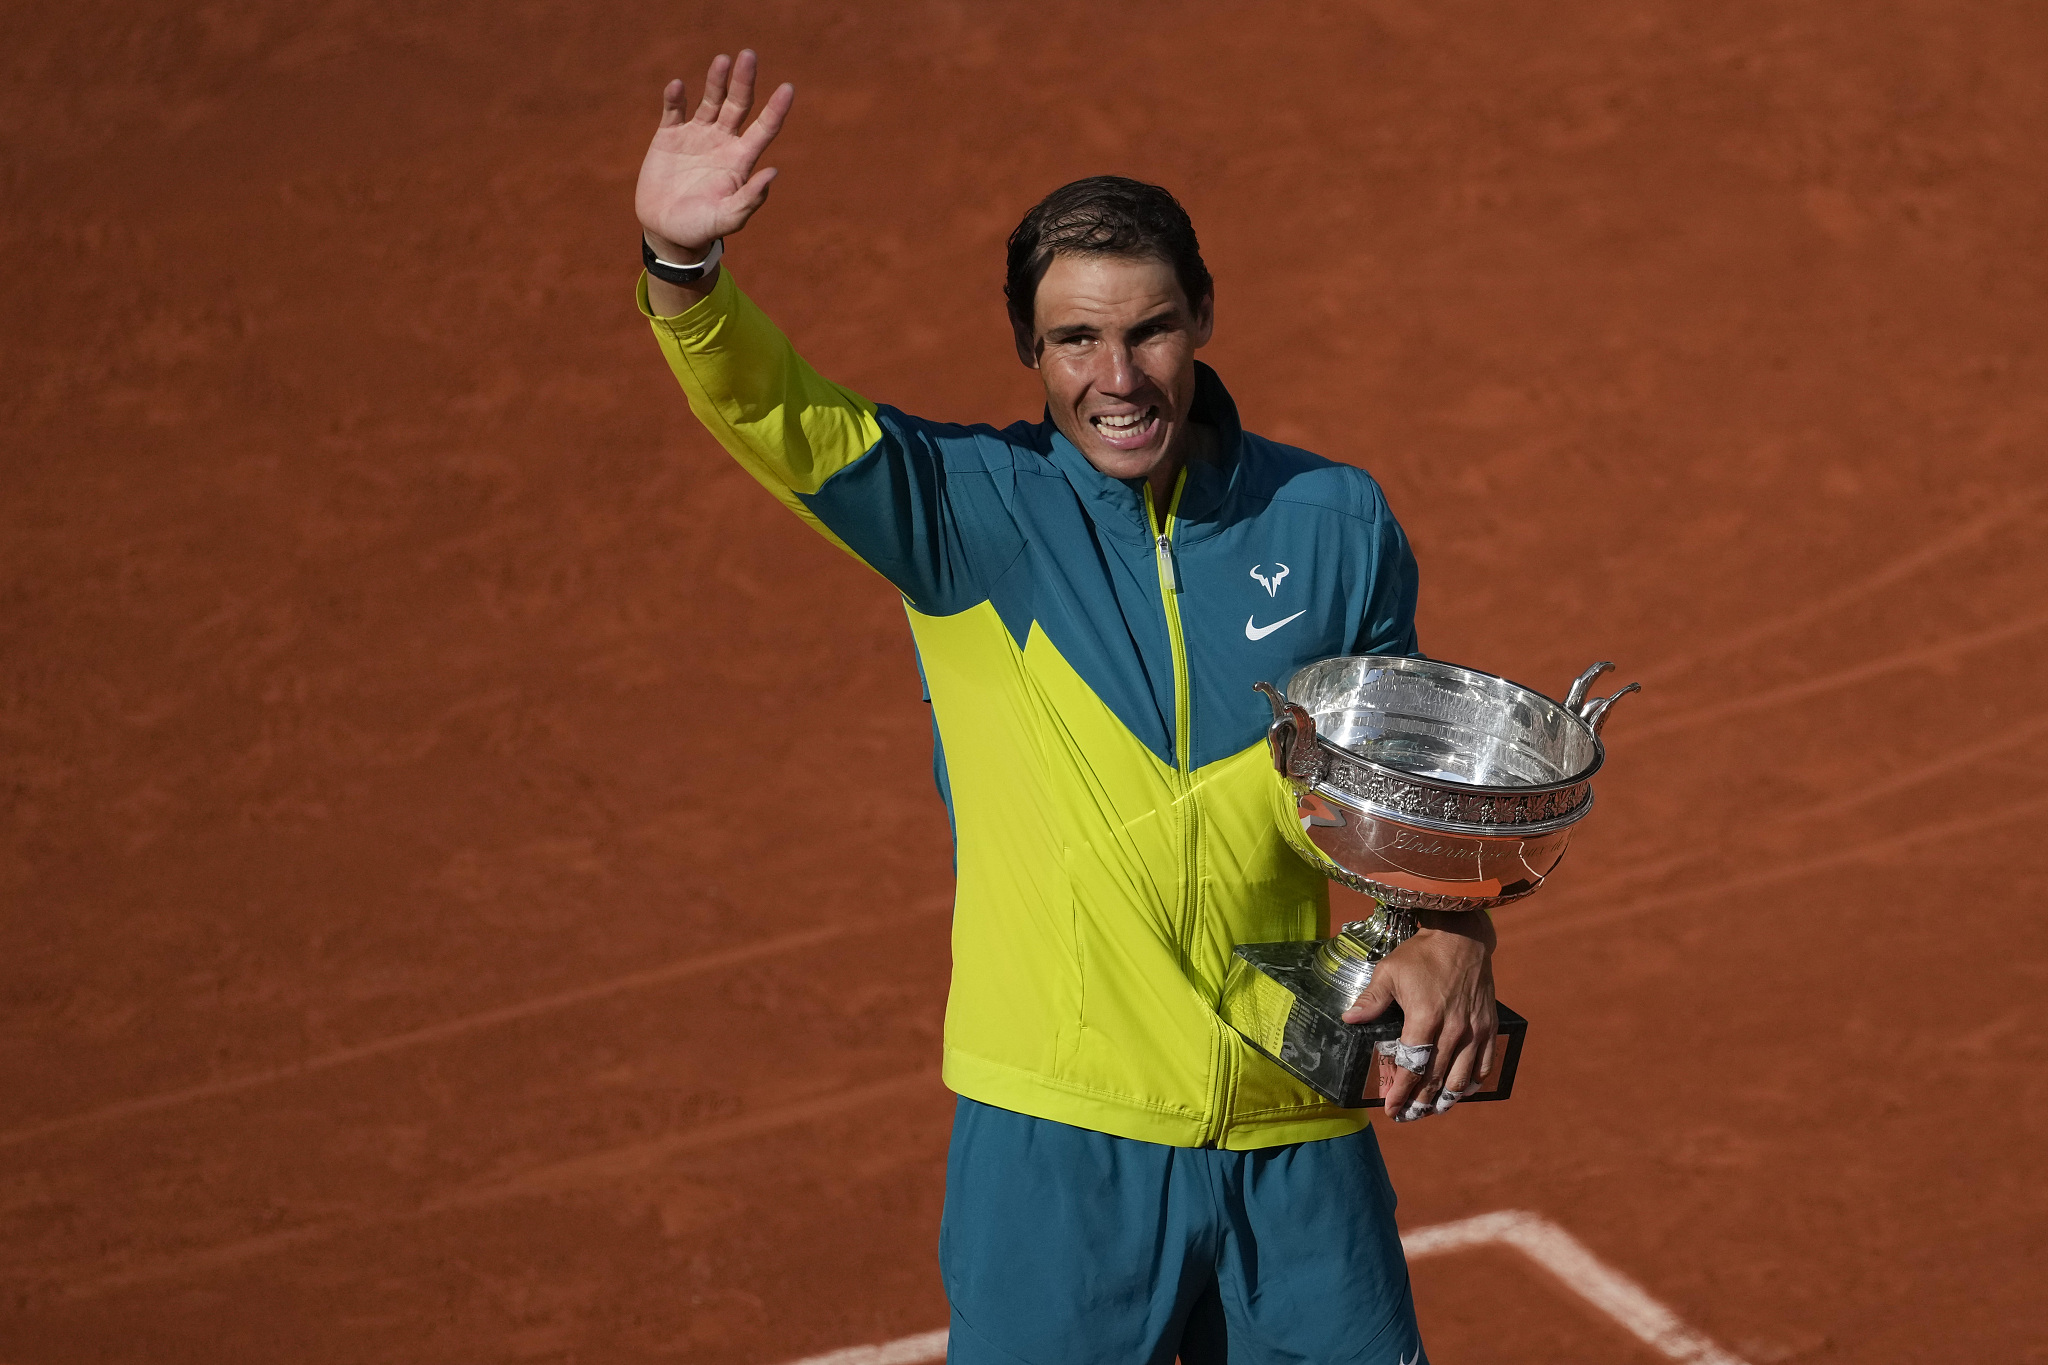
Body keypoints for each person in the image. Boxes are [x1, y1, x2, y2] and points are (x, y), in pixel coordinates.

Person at [633, 50, 1498, 1365]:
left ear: (1203, 314)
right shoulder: (966, 513)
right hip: (1060, 1149)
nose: (1121, 376)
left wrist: (1446, 931)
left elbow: (1397, 781)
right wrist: (680, 270)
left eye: (1149, 328)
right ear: (1029, 351)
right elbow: (778, 412)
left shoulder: (1334, 521)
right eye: (1077, 339)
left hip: (1294, 1133)